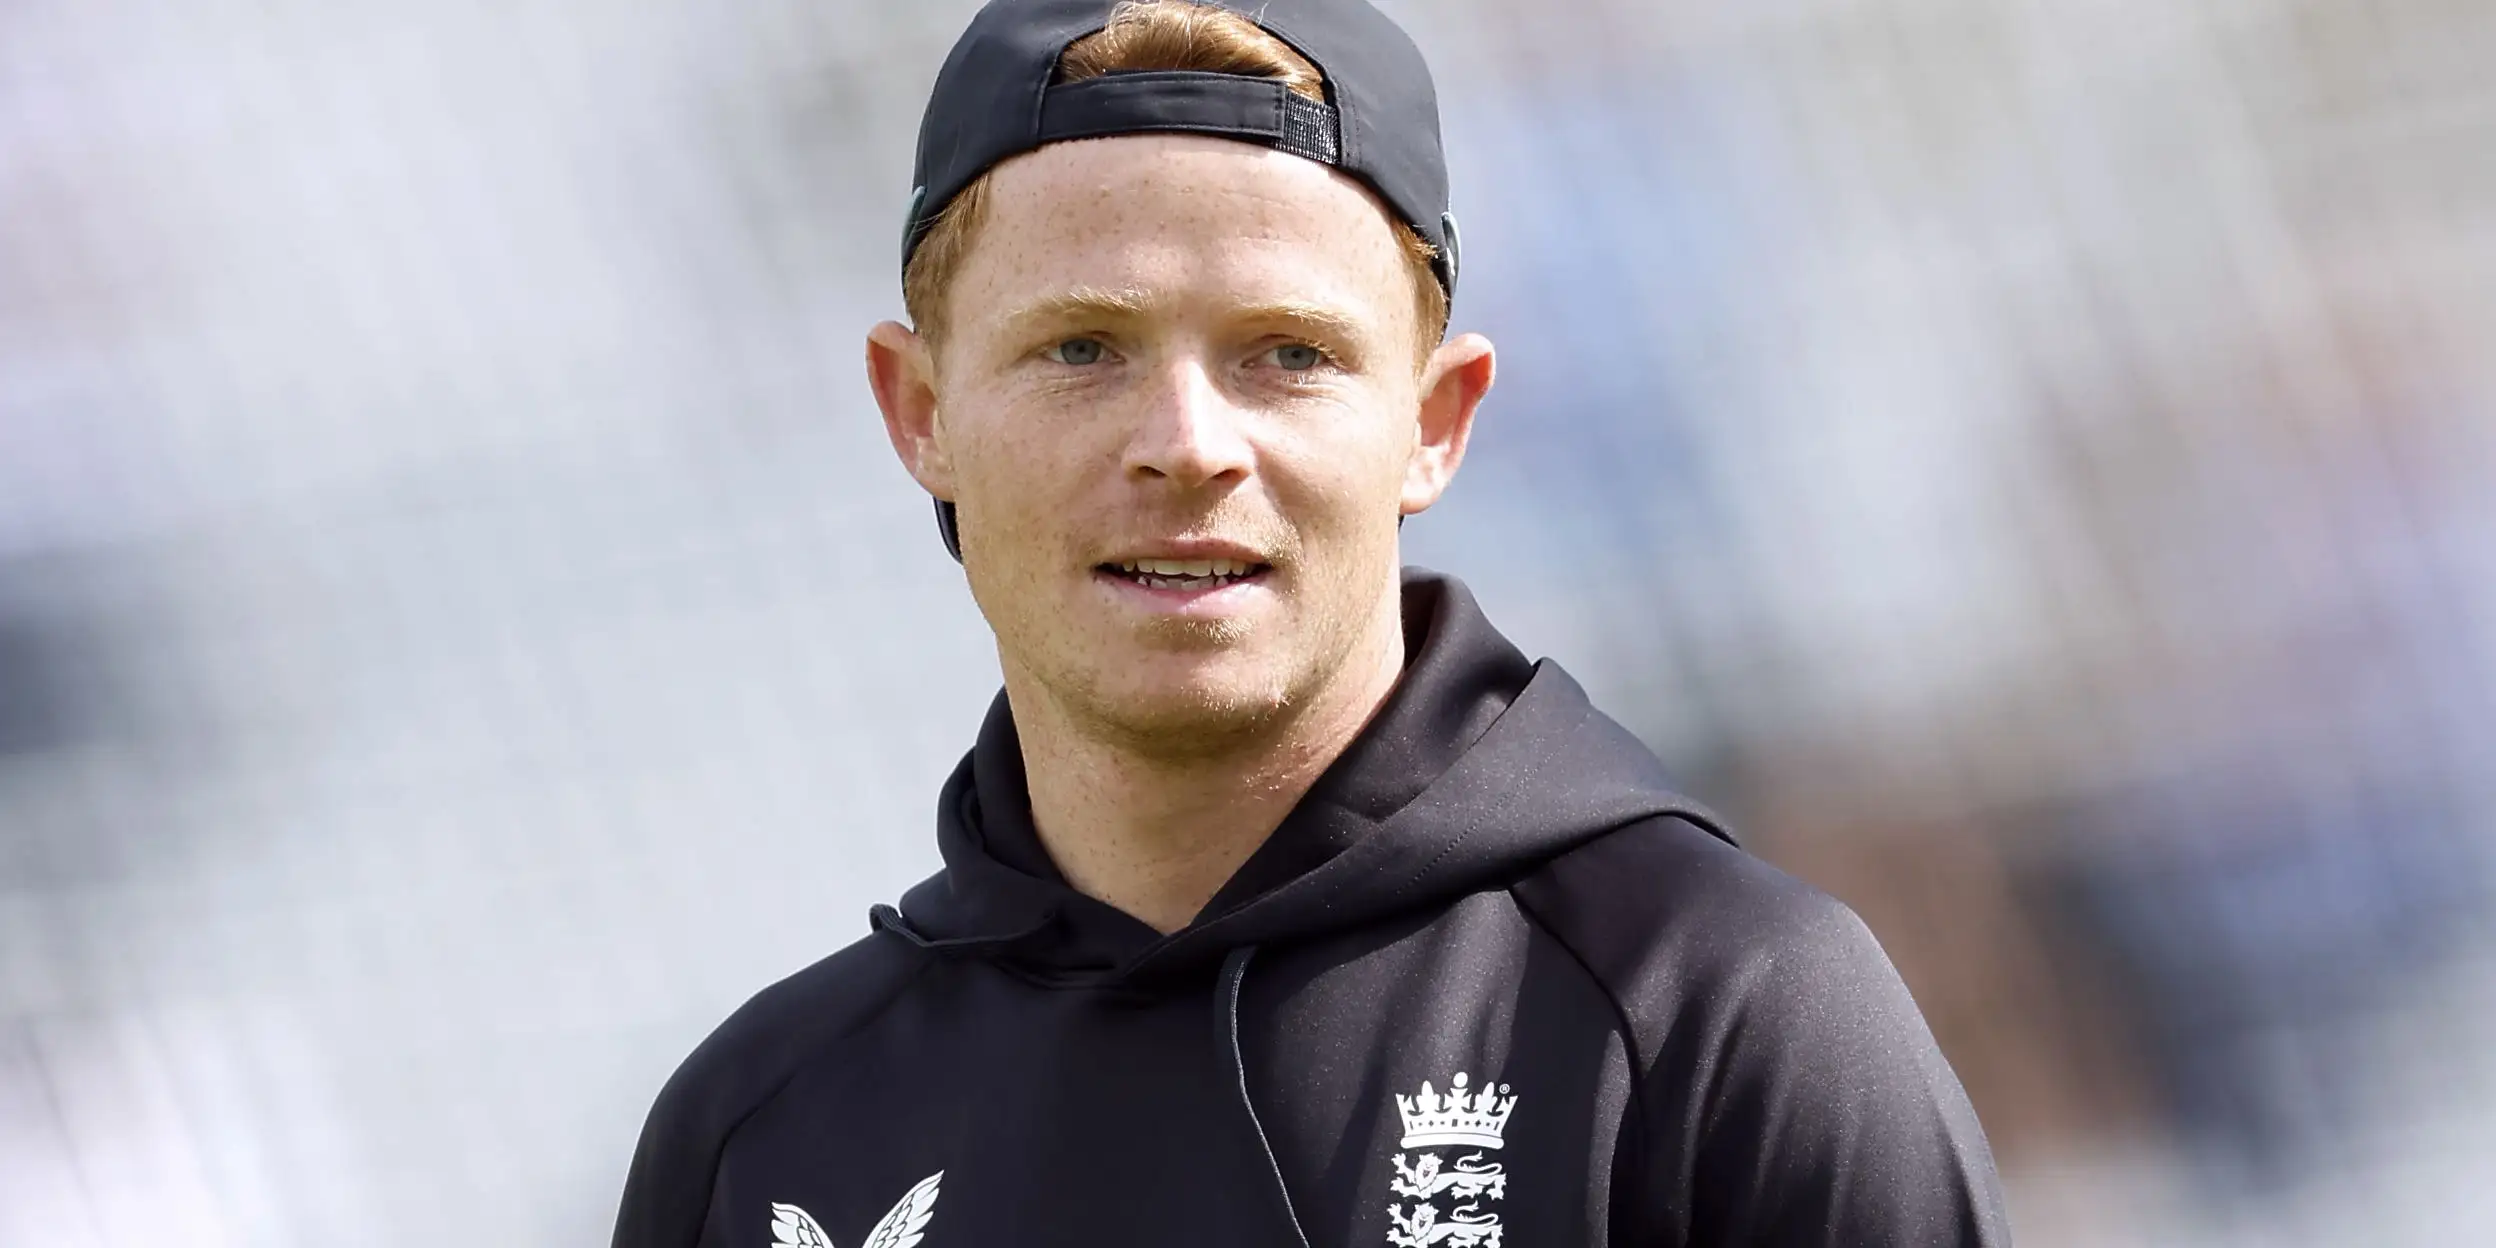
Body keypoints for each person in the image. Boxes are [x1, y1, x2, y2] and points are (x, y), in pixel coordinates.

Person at [610, 1, 2009, 1244]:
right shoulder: (761, 1134)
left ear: (1434, 423)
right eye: (1081, 348)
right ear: (920, 413)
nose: (1187, 446)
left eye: (1288, 354)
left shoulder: (1715, 1012)